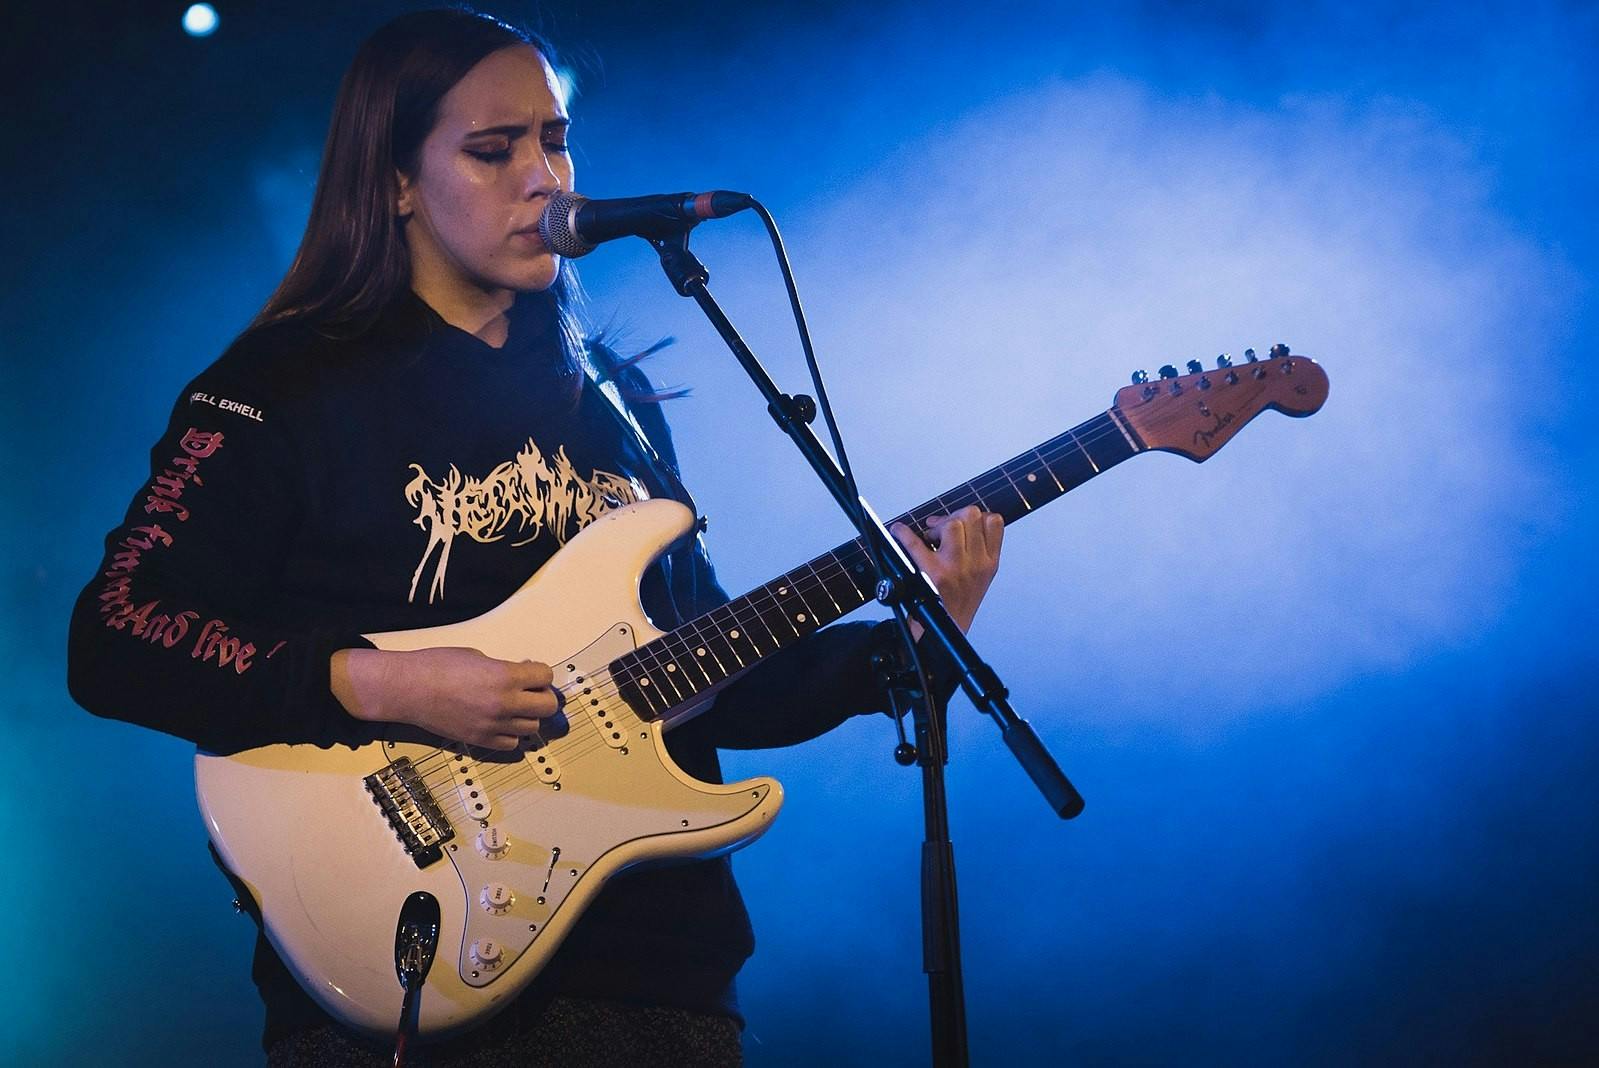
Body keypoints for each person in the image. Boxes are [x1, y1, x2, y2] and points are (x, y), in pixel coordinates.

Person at [66, 8, 1003, 1066]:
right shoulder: (280, 389)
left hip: (662, 985)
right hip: (402, 961)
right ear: (394, 182)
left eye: (554, 139)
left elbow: (709, 673)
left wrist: (917, 639)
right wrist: (386, 684)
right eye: (492, 149)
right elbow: (116, 635)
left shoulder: (616, 397)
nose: (545, 177)